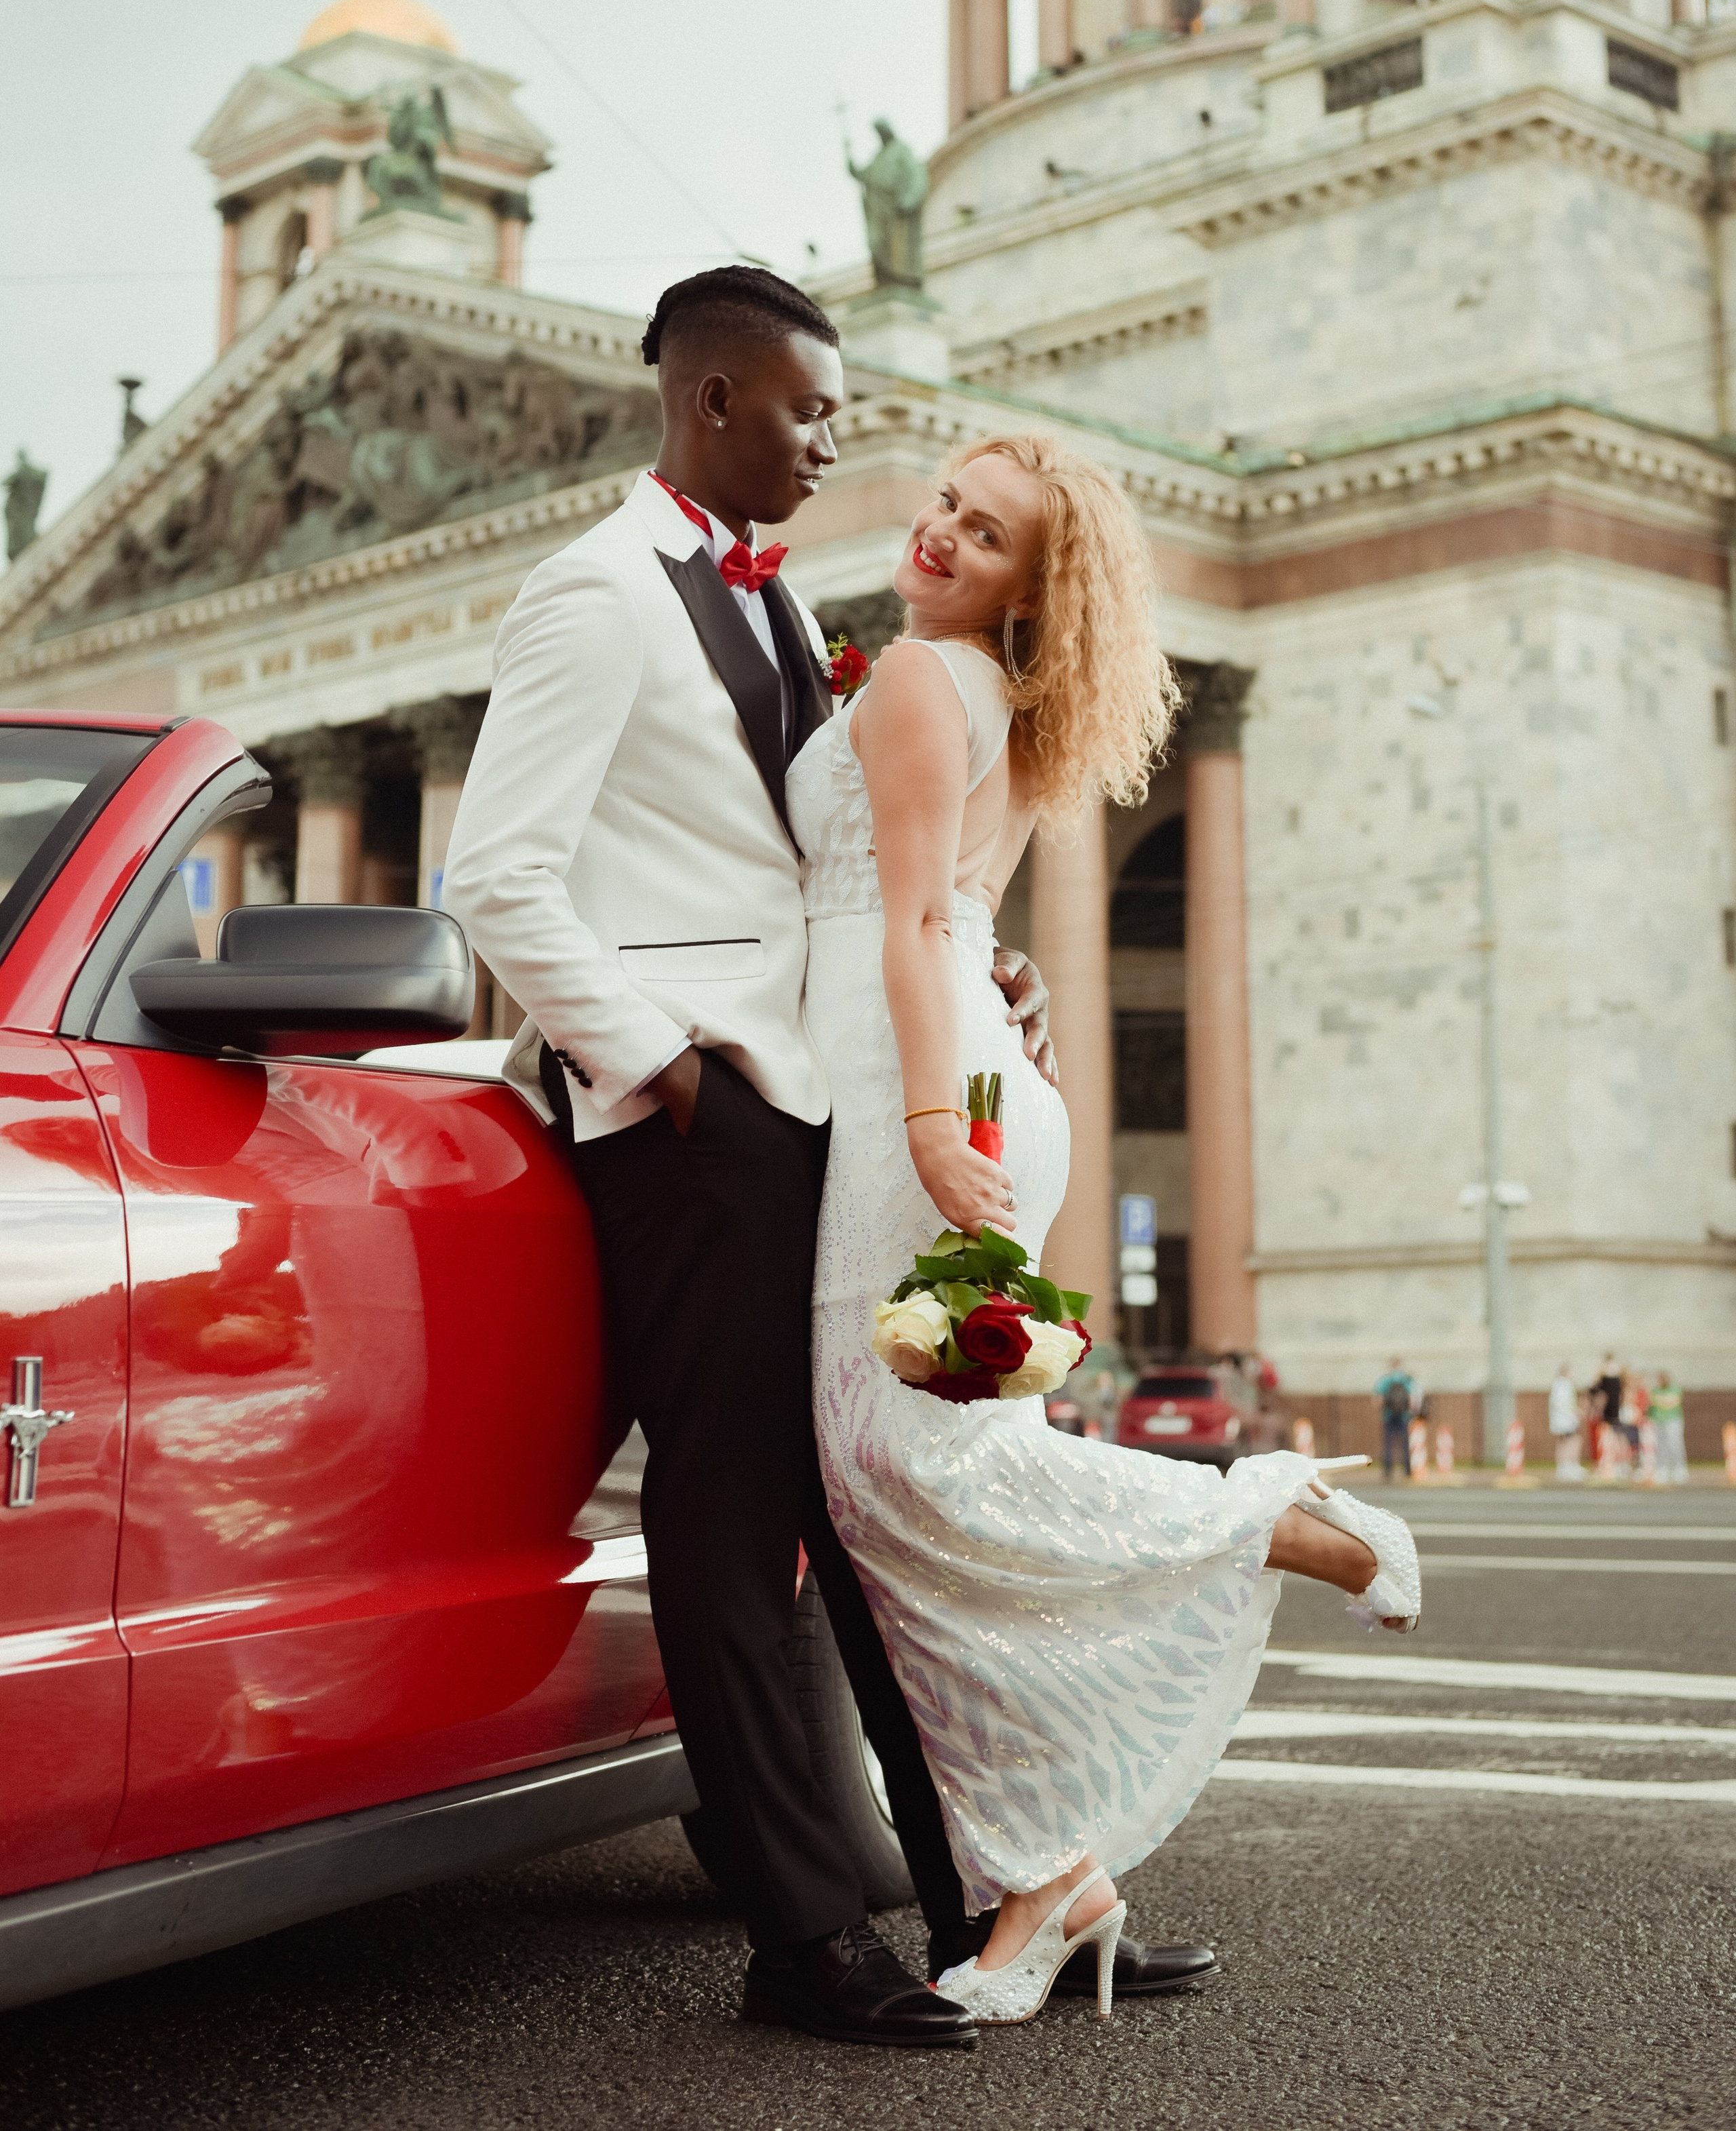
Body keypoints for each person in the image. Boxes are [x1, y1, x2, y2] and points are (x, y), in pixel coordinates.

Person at [440, 268, 1204, 2050]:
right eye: (808, 409)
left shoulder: (782, 608)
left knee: (862, 1508)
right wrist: (661, 1065)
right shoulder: (596, 595)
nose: (839, 443)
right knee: (731, 1510)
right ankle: (803, 1936)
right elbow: (501, 875)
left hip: (809, 1092)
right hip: (702, 1112)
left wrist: (963, 947)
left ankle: (996, 1890)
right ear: (713, 402)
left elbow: (833, 862)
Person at [797, 431, 1421, 2029]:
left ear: (1031, 583)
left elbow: (916, 922)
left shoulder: (925, 684)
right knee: (914, 1491)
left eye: (982, 531)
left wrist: (934, 1127)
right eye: (941, 501)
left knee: (914, 1474)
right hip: (968, 1077)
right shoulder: (974, 686)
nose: (936, 532)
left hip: (917, 1092)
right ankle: (1048, 1878)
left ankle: (1275, 1519)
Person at [1375, 1356, 1417, 1483]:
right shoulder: (1406, 1380)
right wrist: (1411, 1413)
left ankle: (1388, 1471)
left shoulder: (1385, 1380)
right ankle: (1407, 1471)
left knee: (1388, 1444)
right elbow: (1412, 1399)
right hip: (1403, 1416)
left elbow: (1379, 1399)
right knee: (1405, 1444)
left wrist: (1381, 1413)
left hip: (1389, 1416)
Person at [1651, 1371, 1689, 1486]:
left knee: (1675, 1444)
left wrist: (1662, 1403)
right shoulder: (1655, 1390)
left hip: (1673, 1420)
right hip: (1660, 1421)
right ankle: (1663, 1468)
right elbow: (1653, 1404)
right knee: (1661, 1445)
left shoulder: (1675, 1389)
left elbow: (1673, 1402)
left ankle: (1680, 1469)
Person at [1547, 1363, 1583, 1481]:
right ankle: (1568, 1466)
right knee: (1570, 1441)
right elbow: (1564, 1403)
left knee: (1565, 1442)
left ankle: (1565, 1467)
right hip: (1565, 1420)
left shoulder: (1559, 1384)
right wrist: (1576, 1412)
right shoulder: (1564, 1385)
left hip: (1564, 1420)